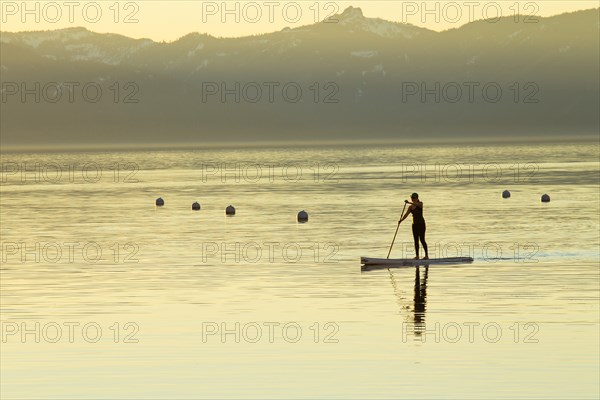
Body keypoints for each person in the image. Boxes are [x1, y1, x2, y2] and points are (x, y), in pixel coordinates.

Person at [399, 193, 429, 260]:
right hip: (414, 225)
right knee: (416, 240)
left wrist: (409, 202)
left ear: (416, 198)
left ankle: (426, 255)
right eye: (411, 198)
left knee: (422, 240)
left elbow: (418, 205)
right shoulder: (410, 207)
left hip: (421, 224)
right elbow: (406, 215)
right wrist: (401, 220)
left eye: (413, 198)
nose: (412, 199)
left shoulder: (420, 204)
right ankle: (417, 256)